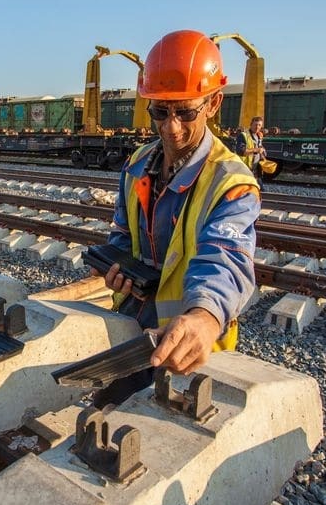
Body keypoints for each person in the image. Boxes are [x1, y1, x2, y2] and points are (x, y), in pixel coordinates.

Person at [91, 30, 261, 404]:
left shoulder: (231, 182)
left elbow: (226, 258)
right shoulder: (137, 165)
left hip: (190, 350)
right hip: (135, 332)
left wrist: (205, 317)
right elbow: (123, 233)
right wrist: (117, 267)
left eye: (186, 111)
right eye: (160, 111)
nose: (171, 127)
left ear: (214, 103)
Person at [235, 116, 266, 183]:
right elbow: (240, 151)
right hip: (244, 170)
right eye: (255, 124)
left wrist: (262, 154)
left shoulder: (259, 136)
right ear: (251, 124)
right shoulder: (243, 135)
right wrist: (256, 150)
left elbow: (260, 149)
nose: (257, 127)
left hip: (255, 171)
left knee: (260, 191)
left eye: (259, 125)